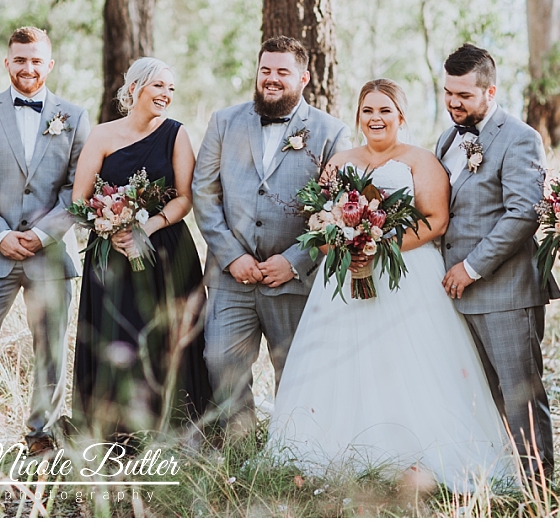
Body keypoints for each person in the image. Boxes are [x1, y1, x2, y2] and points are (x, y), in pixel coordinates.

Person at [267, 79, 515, 492]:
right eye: (368, 110)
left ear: (401, 116)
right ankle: (336, 453)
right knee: (341, 362)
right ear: (358, 116)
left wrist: (378, 245)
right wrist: (344, 246)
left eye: (385, 110)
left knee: (409, 363)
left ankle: (414, 458)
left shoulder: (420, 160)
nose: (376, 118)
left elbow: (436, 220)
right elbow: (320, 221)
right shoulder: (339, 161)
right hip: (343, 280)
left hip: (406, 276)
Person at [192, 36, 351, 438]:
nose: (272, 78)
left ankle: (292, 448)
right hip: (232, 276)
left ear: (304, 78)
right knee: (220, 361)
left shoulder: (331, 132)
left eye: (282, 72)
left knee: (296, 369)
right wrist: (232, 256)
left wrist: (294, 261)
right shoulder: (224, 122)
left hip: (295, 280)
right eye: (265, 70)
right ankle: (240, 446)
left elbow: (337, 210)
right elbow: (204, 193)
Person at [0, 26, 89, 457]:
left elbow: (78, 187)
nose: (28, 67)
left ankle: (42, 436)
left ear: (50, 64)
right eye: (20, 59)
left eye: (36, 60)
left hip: (50, 254)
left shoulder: (74, 116)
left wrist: (43, 234)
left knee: (51, 346)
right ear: (7, 62)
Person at [435, 44, 559, 480]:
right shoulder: (447, 139)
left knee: (520, 395)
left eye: (464, 95)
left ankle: (539, 486)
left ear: (490, 92)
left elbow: (524, 213)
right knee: (483, 394)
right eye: (448, 92)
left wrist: (470, 268)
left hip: (505, 290)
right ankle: (504, 480)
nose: (453, 102)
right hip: (455, 293)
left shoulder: (521, 137)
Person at [71, 58, 211, 441]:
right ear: (134, 88)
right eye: (158, 86)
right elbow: (79, 199)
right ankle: (115, 433)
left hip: (165, 251)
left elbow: (185, 197)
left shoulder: (176, 134)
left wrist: (147, 227)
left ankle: (176, 429)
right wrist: (109, 227)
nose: (166, 95)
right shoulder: (101, 135)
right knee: (118, 334)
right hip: (111, 255)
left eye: (171, 88)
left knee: (167, 336)